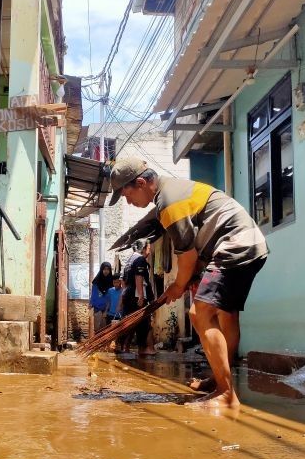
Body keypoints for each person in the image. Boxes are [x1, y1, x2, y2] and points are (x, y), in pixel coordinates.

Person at [108, 157, 268, 408]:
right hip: (250, 244)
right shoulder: (173, 190)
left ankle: (226, 395)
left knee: (200, 313)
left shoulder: (168, 202)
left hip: (234, 246)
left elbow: (187, 253)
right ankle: (219, 380)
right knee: (226, 316)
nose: (129, 202)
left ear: (140, 182)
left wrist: (178, 285)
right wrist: (186, 280)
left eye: (127, 195)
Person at [121, 239, 156, 356]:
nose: (149, 252)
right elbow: (139, 277)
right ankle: (148, 348)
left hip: (129, 296)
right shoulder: (140, 259)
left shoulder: (129, 261)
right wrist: (141, 296)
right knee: (145, 323)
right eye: (149, 249)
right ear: (144, 249)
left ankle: (125, 347)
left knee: (132, 322)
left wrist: (122, 299)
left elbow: (124, 281)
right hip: (137, 296)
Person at [90, 262, 113, 334]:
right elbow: (93, 293)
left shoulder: (112, 282)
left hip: (108, 308)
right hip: (98, 307)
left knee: (106, 329)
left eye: (108, 269)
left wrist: (107, 308)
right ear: (101, 270)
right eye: (104, 269)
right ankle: (97, 344)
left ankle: (104, 344)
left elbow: (111, 296)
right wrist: (91, 303)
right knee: (97, 328)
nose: (106, 271)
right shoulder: (96, 281)